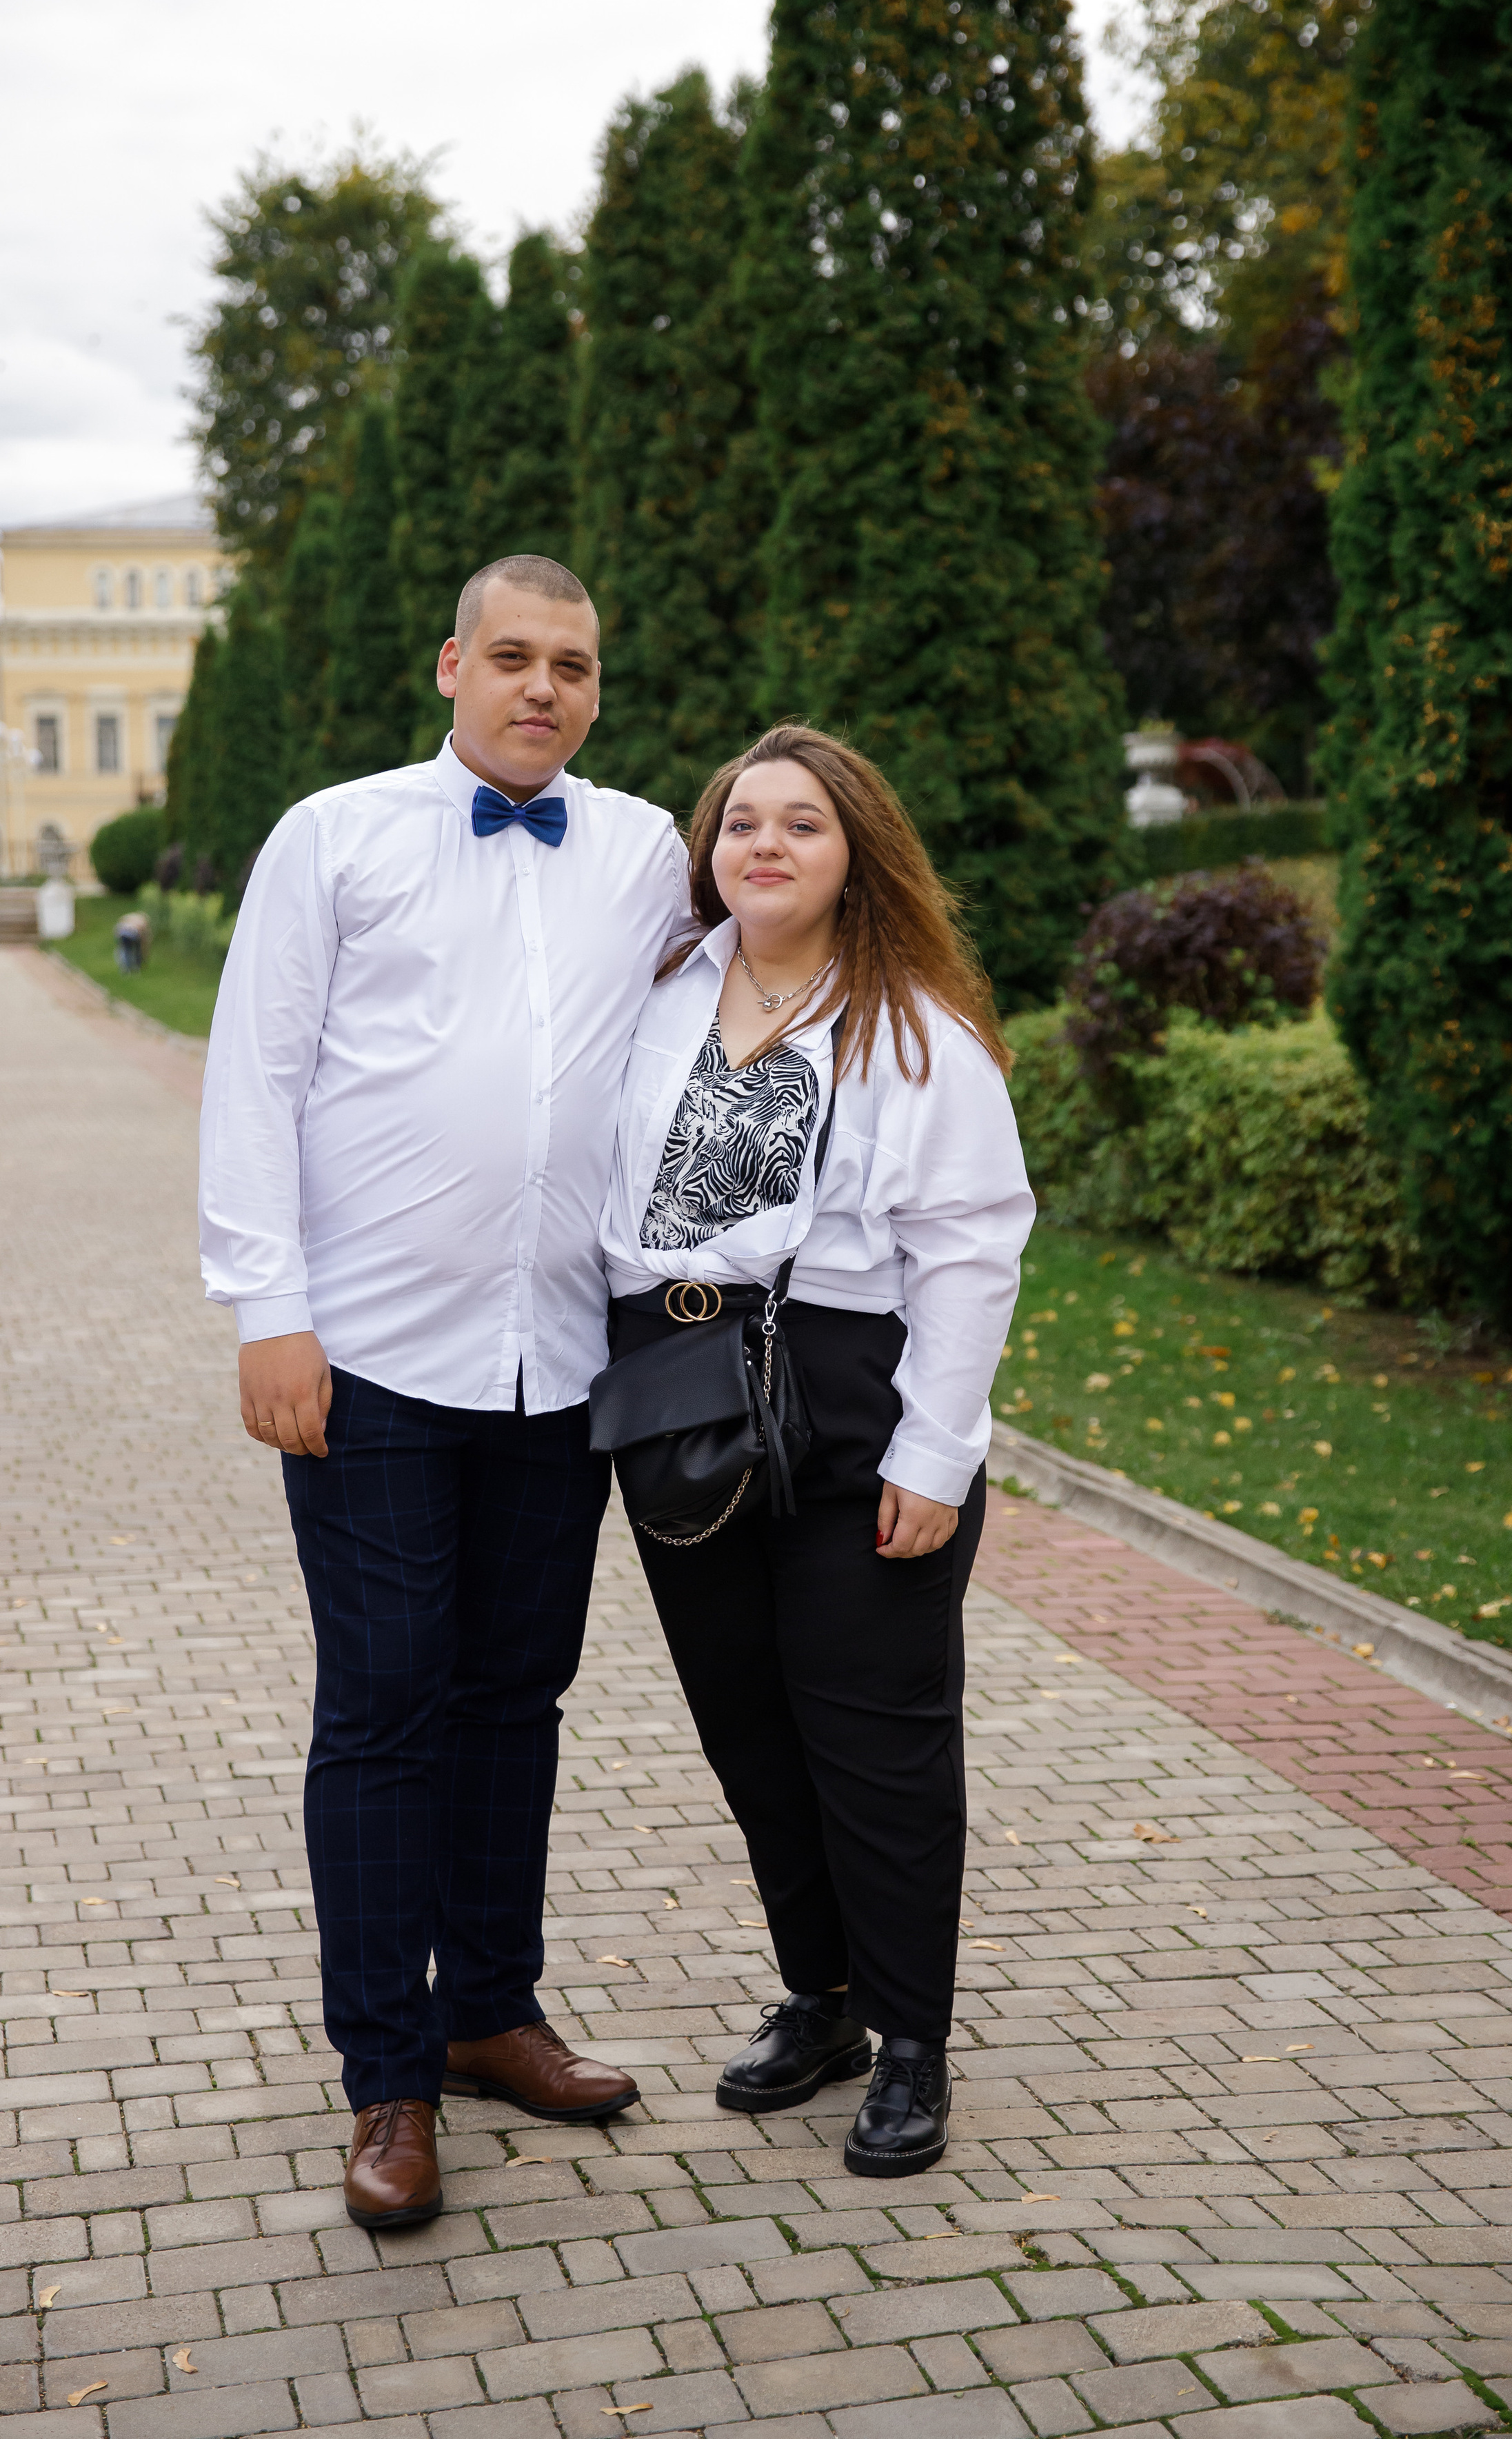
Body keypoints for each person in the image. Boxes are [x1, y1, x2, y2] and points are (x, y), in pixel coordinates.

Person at [198, 555, 692, 2231]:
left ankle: (490, 2008)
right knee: (387, 1699)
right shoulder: (332, 837)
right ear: (449, 668)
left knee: (515, 1694)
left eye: (573, 664)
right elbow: (255, 1079)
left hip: (560, 1358)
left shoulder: (637, 850)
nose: (542, 688)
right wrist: (270, 1311)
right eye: (511, 658)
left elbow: (765, 962)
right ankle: (386, 2076)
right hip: (374, 1353)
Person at [599, 724, 1033, 2176]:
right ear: (705, 852)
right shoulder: (660, 991)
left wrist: (936, 1456)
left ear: (855, 857)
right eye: (738, 825)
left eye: (800, 825)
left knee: (877, 1745)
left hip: (854, 1394)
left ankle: (910, 2044)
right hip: (674, 1383)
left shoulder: (912, 1027)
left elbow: (972, 1252)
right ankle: (823, 2000)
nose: (763, 846)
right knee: (749, 1732)